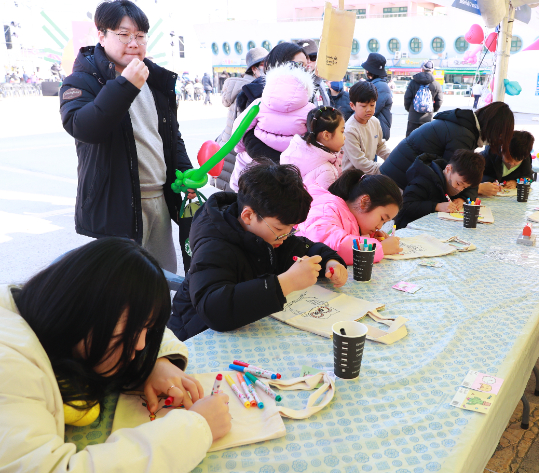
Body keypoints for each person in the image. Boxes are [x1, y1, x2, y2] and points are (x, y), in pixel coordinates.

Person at [0, 238, 232, 473]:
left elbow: (142, 325)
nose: (141, 344)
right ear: (79, 313)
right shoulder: (10, 369)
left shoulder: (44, 311)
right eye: (131, 332)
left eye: (146, 329)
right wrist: (196, 429)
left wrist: (158, 361)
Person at [59, 0, 193, 273]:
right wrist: (125, 85)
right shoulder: (82, 80)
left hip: (160, 200)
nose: (134, 43)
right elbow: (84, 128)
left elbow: (170, 136)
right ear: (101, 35)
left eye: (140, 36)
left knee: (161, 278)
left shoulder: (154, 79)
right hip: (117, 203)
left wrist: (186, 172)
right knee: (121, 287)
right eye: (124, 34)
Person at [169, 164, 347, 341]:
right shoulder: (214, 245)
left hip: (242, 332)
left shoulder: (269, 235)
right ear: (248, 216)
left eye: (291, 229)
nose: (286, 235)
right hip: (194, 334)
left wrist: (330, 261)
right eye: (279, 228)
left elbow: (301, 247)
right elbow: (213, 309)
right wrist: (286, 283)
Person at [380, 102, 515, 202]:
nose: (498, 141)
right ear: (494, 129)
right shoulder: (463, 135)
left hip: (398, 173)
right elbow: (451, 176)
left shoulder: (465, 125)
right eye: (500, 136)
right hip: (398, 179)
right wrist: (478, 189)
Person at [228, 63, 316, 191]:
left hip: (257, 155)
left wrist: (240, 147)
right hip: (293, 158)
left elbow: (240, 127)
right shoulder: (310, 109)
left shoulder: (259, 104)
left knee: (244, 164)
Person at [298, 170, 403, 266]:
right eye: (382, 218)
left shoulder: (348, 215)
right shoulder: (327, 209)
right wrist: (379, 248)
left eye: (384, 222)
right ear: (364, 202)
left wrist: (369, 238)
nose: (379, 226)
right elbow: (332, 247)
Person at [212, 47, 268, 192]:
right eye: (265, 65)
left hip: (227, 154)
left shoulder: (242, 87)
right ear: (254, 69)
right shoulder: (251, 91)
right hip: (237, 159)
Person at [395, 149, 485, 229]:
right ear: (448, 169)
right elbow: (405, 206)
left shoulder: (458, 176)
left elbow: (473, 188)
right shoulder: (424, 180)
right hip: (409, 228)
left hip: (435, 227)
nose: (459, 189)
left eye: (464, 187)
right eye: (458, 184)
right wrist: (437, 206)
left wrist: (462, 199)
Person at [280, 106, 344, 190]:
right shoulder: (327, 172)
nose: (344, 137)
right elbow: (323, 202)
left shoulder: (294, 151)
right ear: (326, 135)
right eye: (342, 132)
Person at [235, 42, 307, 113]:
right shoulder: (254, 95)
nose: (304, 70)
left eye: (306, 66)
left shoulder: (305, 94)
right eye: (300, 64)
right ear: (282, 63)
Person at [342, 81, 390, 175]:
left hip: (368, 174)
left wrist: (394, 159)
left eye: (372, 105)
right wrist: (387, 168)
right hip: (353, 178)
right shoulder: (350, 130)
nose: (369, 109)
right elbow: (360, 163)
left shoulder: (374, 121)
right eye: (363, 106)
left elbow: (380, 146)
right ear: (352, 106)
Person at [478, 130, 535, 196]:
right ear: (502, 149)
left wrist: (516, 182)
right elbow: (479, 174)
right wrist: (492, 182)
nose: (511, 163)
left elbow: (528, 176)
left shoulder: (524, 156)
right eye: (508, 159)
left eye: (517, 162)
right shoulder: (489, 154)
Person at [403, 61, 443, 137]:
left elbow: (407, 98)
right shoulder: (436, 84)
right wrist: (432, 110)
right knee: (426, 141)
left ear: (422, 69)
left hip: (413, 117)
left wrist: (411, 109)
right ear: (432, 70)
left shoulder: (413, 82)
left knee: (410, 140)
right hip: (427, 118)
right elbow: (439, 101)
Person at [361, 53, 393, 140]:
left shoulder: (380, 87)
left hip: (376, 131)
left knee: (369, 154)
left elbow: (369, 111)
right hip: (372, 130)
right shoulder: (375, 84)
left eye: (367, 69)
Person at [295, 39, 331, 108]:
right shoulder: (295, 82)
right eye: (305, 57)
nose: (308, 61)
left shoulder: (320, 81)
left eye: (313, 57)